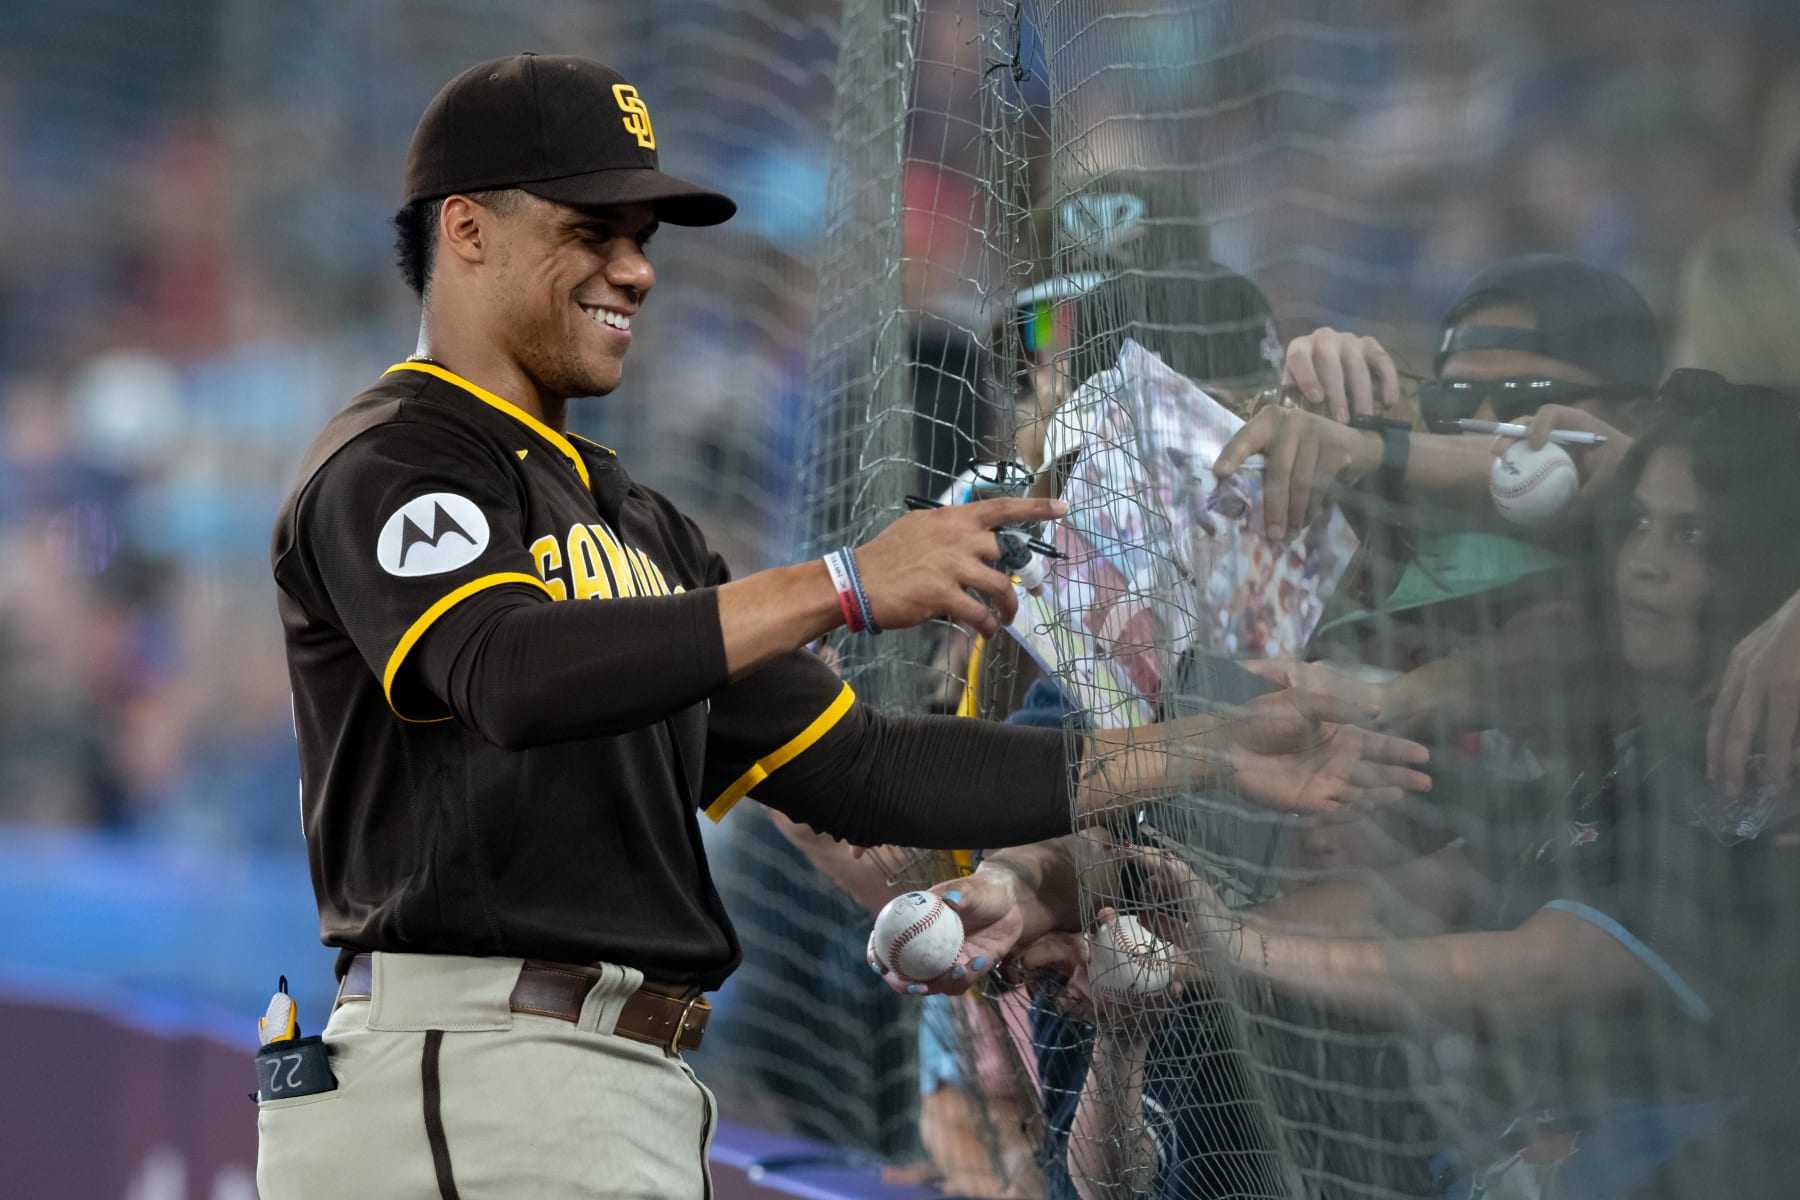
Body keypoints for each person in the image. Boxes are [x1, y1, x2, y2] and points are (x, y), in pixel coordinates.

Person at [257, 54, 1431, 1199]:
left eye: (642, 241)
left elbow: (867, 769)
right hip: (473, 1067)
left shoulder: (643, 527)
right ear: (465, 230)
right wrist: (844, 583)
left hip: (609, 1078)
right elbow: (505, 672)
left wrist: (1214, 751)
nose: (636, 269)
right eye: (590, 231)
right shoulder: (398, 457)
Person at [933, 372, 1800, 1198]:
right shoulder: (1640, 745)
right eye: (1640, 524)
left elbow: (1532, 968)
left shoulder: (1763, 766)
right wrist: (1189, 940)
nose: (1643, 563)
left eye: (1692, 536)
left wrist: (1234, 947)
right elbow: (1424, 893)